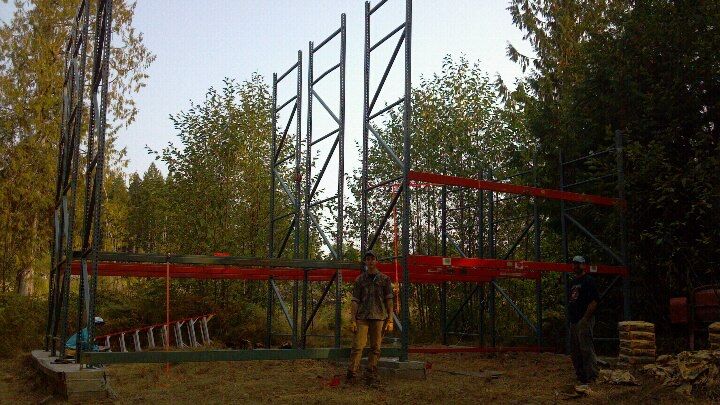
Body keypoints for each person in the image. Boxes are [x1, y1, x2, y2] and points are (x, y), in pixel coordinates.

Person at [347, 250, 394, 384]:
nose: (370, 261)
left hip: (379, 317)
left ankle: (370, 374)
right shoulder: (360, 279)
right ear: (365, 262)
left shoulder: (385, 279)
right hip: (362, 317)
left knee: (376, 347)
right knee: (358, 346)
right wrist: (353, 320)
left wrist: (390, 319)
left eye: (373, 259)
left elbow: (389, 300)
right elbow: (355, 301)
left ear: (376, 261)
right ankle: (352, 374)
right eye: (368, 259)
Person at [568, 255, 600, 384]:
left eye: (578, 264)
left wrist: (585, 319)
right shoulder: (573, 282)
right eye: (574, 263)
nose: (575, 266)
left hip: (584, 320)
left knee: (586, 348)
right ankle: (581, 375)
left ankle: (592, 375)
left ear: (583, 265)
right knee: (575, 350)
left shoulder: (589, 281)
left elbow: (594, 301)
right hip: (574, 321)